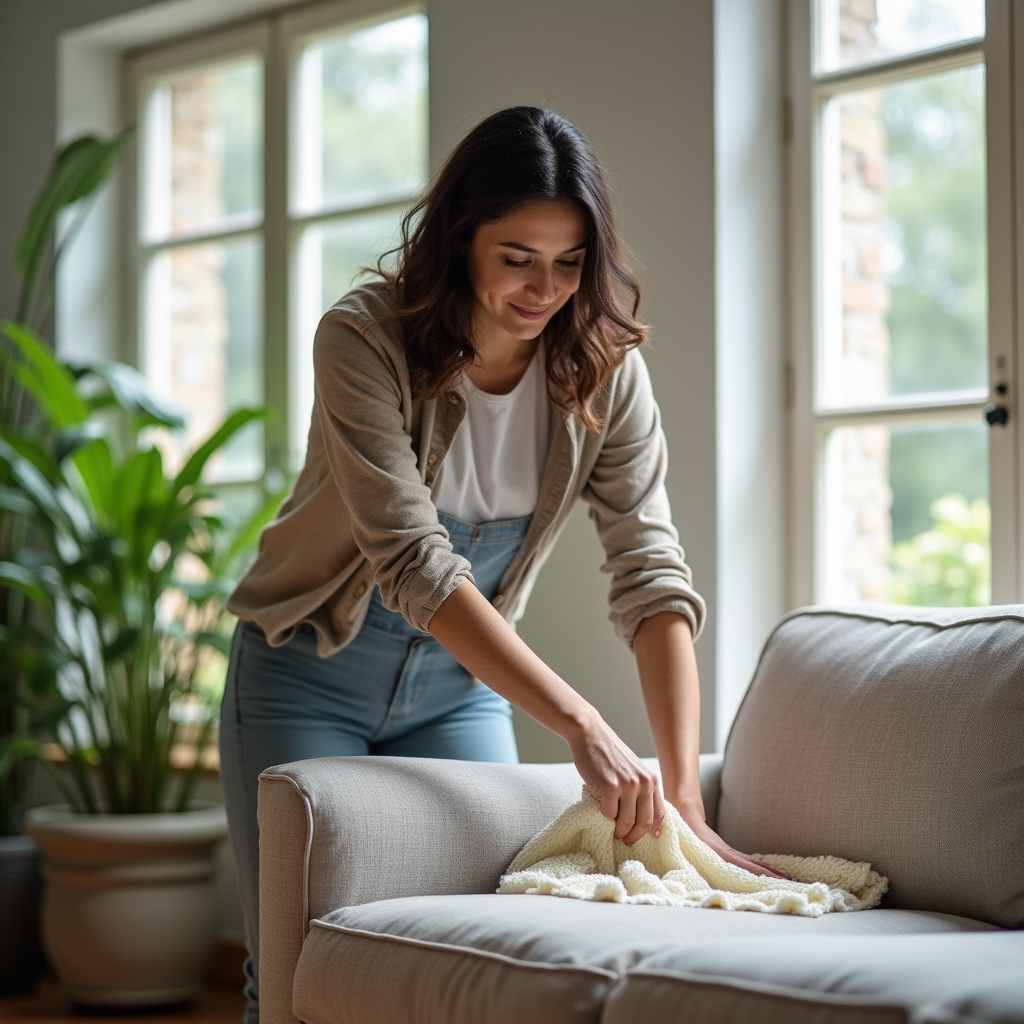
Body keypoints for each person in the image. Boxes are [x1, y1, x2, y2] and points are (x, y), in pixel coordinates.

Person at [219, 105, 782, 1024]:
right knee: (285, 966)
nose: (544, 287)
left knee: (473, 944)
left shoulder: (603, 371)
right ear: (460, 241)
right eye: (517, 257)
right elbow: (413, 561)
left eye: (569, 263)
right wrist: (582, 723)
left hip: (460, 689)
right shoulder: (363, 340)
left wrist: (682, 791)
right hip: (306, 672)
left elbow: (651, 571)